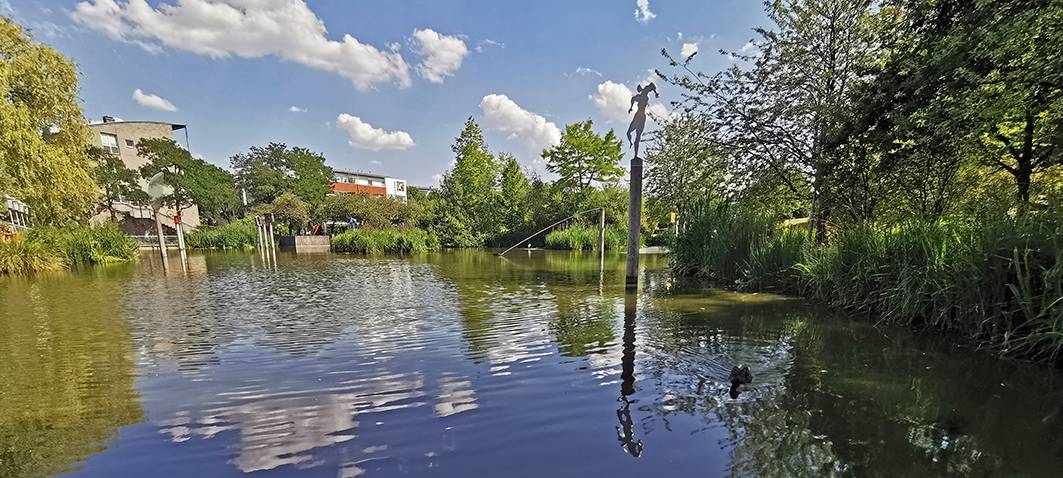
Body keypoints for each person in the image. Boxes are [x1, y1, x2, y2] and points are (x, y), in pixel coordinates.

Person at [626, 82, 659, 158]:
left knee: (637, 137)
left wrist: (656, 93)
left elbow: (652, 85)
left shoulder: (644, 92)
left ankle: (635, 155)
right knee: (628, 133)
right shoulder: (639, 96)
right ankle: (631, 144)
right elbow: (632, 99)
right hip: (638, 116)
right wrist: (631, 107)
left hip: (640, 116)